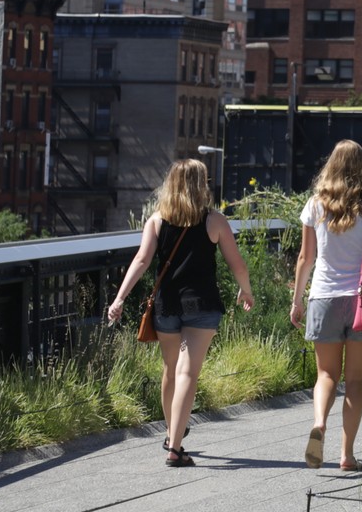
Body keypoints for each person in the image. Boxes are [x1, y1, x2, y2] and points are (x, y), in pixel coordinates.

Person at [108, 158, 254, 468]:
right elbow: (236, 263)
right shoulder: (214, 221)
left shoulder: (157, 221)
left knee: (171, 369)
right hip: (201, 305)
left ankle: (171, 433)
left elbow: (141, 261)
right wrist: (246, 289)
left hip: (167, 304)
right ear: (202, 185)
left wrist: (119, 298)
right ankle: (175, 447)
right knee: (188, 372)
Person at [291, 139, 362, 472]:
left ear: (330, 165)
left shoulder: (315, 205)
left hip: (322, 296)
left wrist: (297, 300)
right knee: (355, 381)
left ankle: (319, 423)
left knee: (325, 374)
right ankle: (347, 455)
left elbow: (306, 258)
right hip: (361, 301)